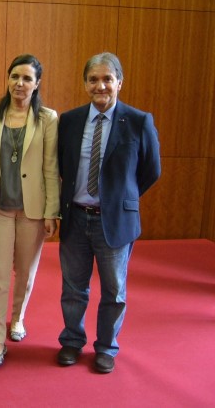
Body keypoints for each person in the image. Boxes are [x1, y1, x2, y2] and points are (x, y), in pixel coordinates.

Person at [57, 52, 161, 373]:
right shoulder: (70, 121)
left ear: (119, 82)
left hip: (114, 221)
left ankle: (106, 347)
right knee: (73, 288)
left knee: (114, 290)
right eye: (93, 79)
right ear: (85, 83)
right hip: (76, 218)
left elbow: (150, 171)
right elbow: (62, 165)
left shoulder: (139, 121)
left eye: (107, 79)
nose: (100, 85)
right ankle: (72, 341)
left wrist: (121, 200)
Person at [0, 54, 59, 368]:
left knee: (25, 272)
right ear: (7, 79)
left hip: (32, 210)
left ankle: (17, 317)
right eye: (14, 77)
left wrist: (52, 212)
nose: (19, 84)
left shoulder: (48, 119)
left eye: (26, 79)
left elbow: (51, 168)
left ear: (37, 85)